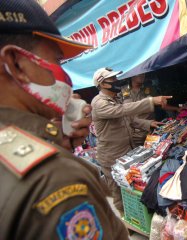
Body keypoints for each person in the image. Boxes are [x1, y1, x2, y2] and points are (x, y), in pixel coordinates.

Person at [0, 1, 129, 239]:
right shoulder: (54, 179)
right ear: (16, 64)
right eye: (57, 61)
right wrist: (59, 160)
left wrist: (59, 146)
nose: (66, 77)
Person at [91, 68, 172, 213]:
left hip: (127, 151)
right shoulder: (99, 103)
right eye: (113, 79)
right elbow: (122, 111)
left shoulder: (116, 98)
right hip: (111, 156)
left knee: (132, 185)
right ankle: (126, 223)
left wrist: (148, 124)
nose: (116, 81)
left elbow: (129, 119)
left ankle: (136, 214)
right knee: (118, 191)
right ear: (103, 84)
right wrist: (151, 101)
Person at [124, 73, 182, 147]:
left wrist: (176, 108)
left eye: (143, 74)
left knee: (156, 150)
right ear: (131, 75)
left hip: (151, 129)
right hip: (134, 133)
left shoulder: (148, 88)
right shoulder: (122, 91)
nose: (142, 75)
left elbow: (161, 105)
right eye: (139, 74)